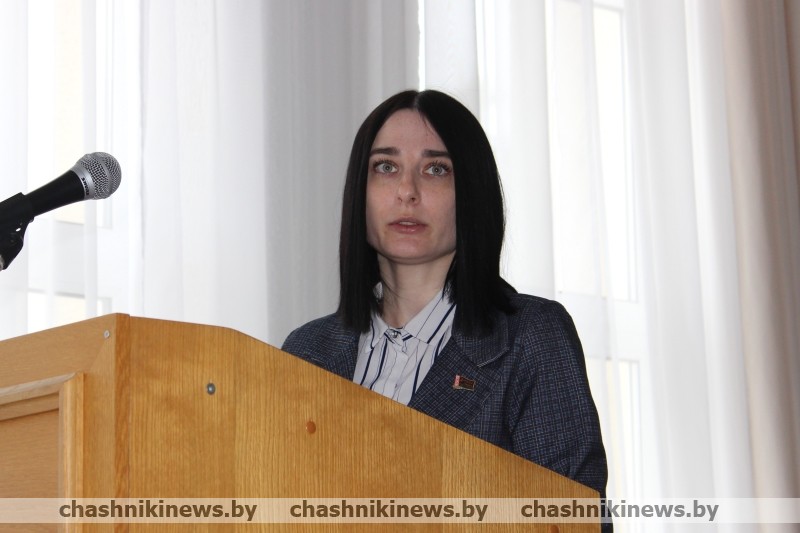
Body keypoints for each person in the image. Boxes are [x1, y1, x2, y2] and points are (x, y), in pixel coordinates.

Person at [282, 89, 609, 505]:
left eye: (436, 169)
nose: (407, 191)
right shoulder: (306, 352)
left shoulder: (531, 337)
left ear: (472, 191)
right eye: (386, 167)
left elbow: (573, 518)